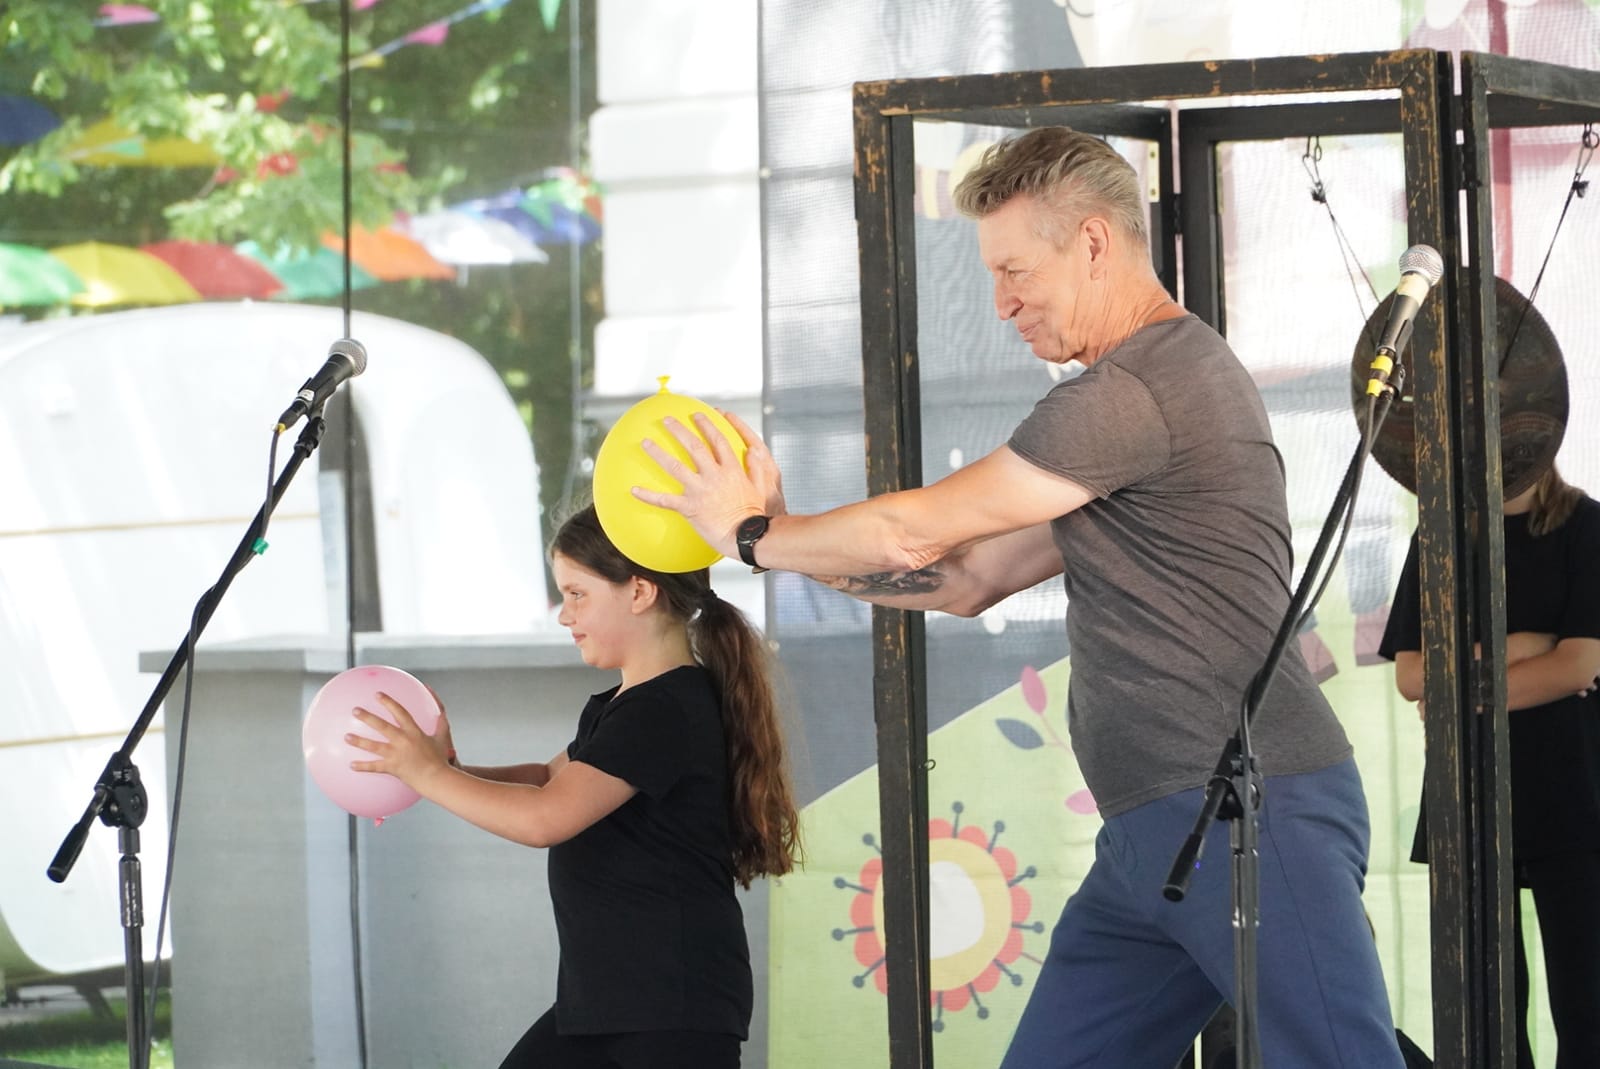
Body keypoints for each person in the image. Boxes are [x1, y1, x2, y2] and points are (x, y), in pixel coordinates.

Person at [634, 125, 1405, 1067]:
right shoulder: (1140, 397)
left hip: (1252, 807)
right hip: (1153, 834)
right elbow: (969, 576)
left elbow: (916, 531)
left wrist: (752, 536)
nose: (1001, 304)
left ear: (1093, 242)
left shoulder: (1135, 392)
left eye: (1014, 271)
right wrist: (790, 537)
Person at [345, 503, 803, 1069]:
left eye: (577, 594)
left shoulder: (665, 709)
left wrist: (428, 774)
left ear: (640, 592)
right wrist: (448, 768)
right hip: (609, 1002)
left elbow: (546, 817)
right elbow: (548, 779)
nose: (564, 615)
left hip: (669, 1007)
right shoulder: (627, 706)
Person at [1378, 463, 1600, 1069]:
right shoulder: (1440, 536)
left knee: (1586, 1004)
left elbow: (1579, 666)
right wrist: (1526, 646)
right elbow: (1412, 676)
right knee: (1486, 1010)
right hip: (1466, 794)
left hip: (1573, 790)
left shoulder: (1586, 527)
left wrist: (1456, 688)